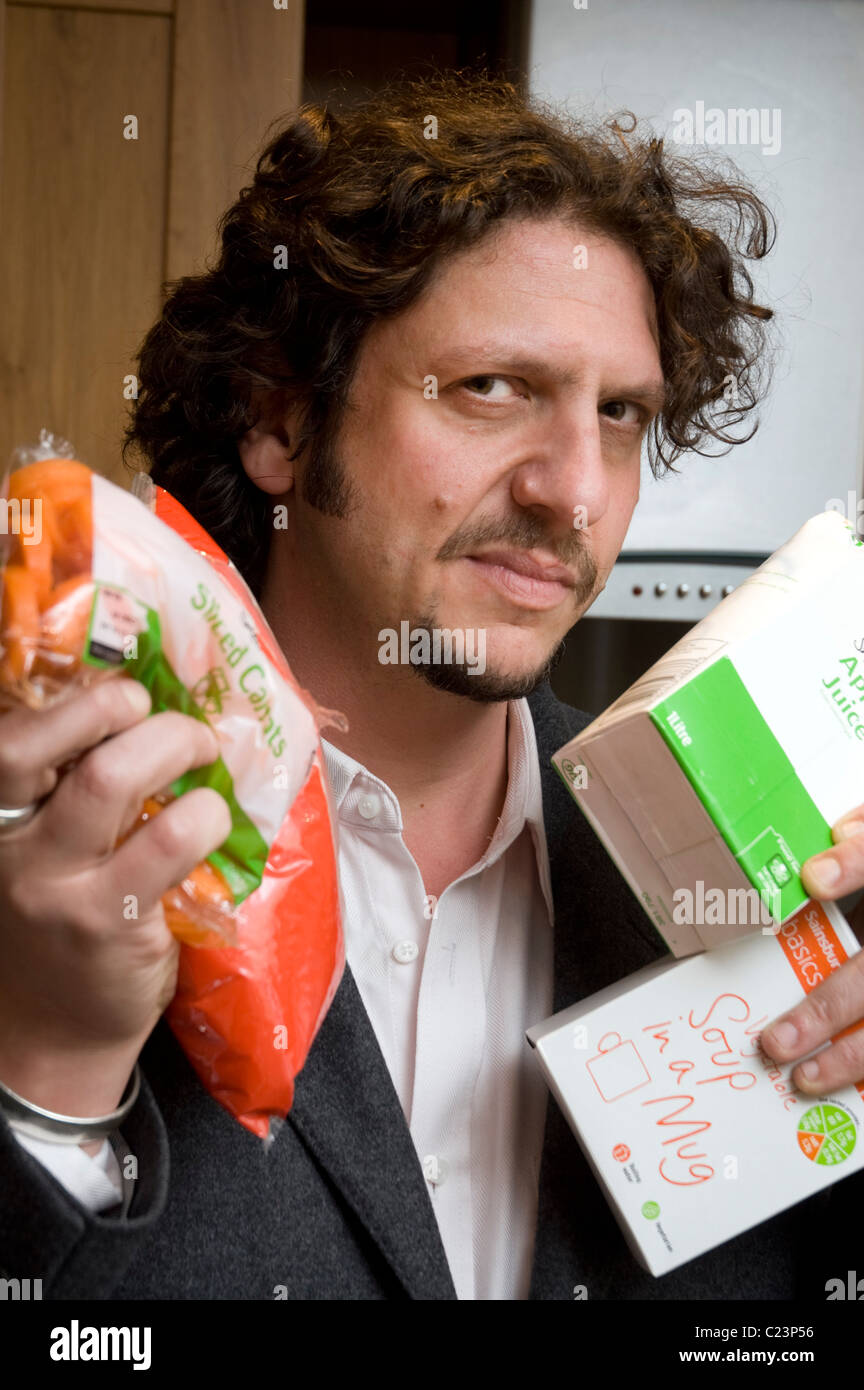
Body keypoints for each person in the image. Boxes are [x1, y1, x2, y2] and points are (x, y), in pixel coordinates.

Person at [1, 72, 863, 1302]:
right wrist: (44, 1075)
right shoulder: (55, 842)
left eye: (621, 413)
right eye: (492, 388)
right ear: (282, 422)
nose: (573, 490)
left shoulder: (767, 886)